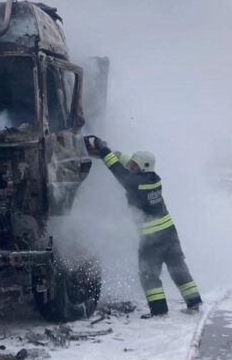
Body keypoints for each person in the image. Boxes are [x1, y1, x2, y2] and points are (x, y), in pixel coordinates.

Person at [84, 136, 202, 318]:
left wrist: (103, 151)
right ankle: (194, 303)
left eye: (134, 166)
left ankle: (159, 311)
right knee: (178, 268)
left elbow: (118, 170)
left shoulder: (135, 183)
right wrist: (107, 149)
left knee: (148, 275)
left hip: (151, 239)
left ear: (142, 168)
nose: (130, 167)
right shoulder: (153, 178)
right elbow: (125, 163)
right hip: (170, 234)